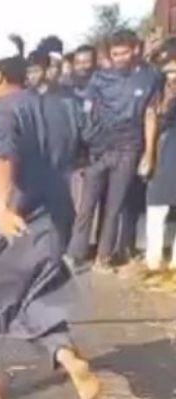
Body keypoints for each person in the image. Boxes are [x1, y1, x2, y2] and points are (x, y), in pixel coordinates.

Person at [0, 38, 99, 399]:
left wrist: (1, 206)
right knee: (37, 293)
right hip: (54, 218)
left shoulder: (1, 111)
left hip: (8, 221)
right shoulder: (61, 106)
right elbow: (86, 149)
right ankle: (66, 354)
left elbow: (5, 157)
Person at [71, 29, 161, 270]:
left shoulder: (150, 78)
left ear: (134, 50)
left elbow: (150, 115)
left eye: (123, 52)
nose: (119, 58)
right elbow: (87, 111)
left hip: (129, 147)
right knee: (87, 203)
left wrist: (148, 153)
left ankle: (104, 256)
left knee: (115, 205)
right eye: (114, 54)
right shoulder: (100, 78)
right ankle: (76, 253)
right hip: (99, 148)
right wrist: (88, 143)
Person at [141, 42, 176, 274]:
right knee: (156, 204)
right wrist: (149, 154)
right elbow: (151, 119)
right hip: (164, 148)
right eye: (168, 70)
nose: (172, 74)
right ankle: (152, 260)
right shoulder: (158, 88)